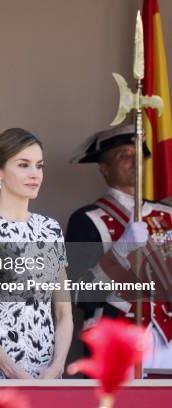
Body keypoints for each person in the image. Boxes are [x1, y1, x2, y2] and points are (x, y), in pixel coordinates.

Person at [0, 128, 73, 379]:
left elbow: (64, 313)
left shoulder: (50, 229)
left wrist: (57, 366)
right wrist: (14, 372)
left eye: (39, 166)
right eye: (23, 165)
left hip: (47, 379)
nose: (34, 174)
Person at [66, 124, 172, 372]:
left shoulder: (167, 215)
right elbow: (80, 293)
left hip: (167, 336)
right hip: (115, 335)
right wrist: (119, 251)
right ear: (104, 169)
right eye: (124, 155)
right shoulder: (87, 219)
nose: (134, 160)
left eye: (137, 153)